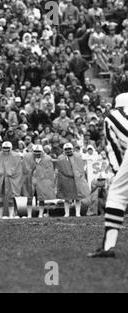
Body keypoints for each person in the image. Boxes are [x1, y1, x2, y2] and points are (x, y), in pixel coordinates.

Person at [89, 93, 128, 257]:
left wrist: (118, 172)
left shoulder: (111, 117)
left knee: (116, 195)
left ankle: (108, 246)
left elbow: (114, 147)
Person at [56, 143, 90, 217]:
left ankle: (77, 213)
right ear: (63, 150)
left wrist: (79, 175)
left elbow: (81, 167)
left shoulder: (78, 156)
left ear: (72, 149)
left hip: (77, 179)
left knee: (78, 197)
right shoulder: (61, 158)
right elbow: (60, 170)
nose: (68, 151)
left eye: (69, 149)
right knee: (66, 197)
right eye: (66, 149)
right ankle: (67, 213)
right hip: (66, 179)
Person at [23, 145, 56, 218]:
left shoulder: (47, 158)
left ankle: (40, 214)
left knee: (41, 197)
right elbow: (26, 169)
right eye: (35, 152)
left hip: (42, 180)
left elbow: (50, 171)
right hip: (31, 179)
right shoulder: (28, 158)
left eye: (39, 152)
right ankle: (29, 214)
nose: (37, 153)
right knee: (29, 197)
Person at [0, 141, 23, 219]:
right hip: (0, 178)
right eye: (4, 148)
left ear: (11, 148)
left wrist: (11, 173)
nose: (6, 149)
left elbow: (17, 168)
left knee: (11, 197)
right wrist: (0, 172)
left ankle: (11, 215)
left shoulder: (16, 156)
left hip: (11, 179)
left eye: (7, 148)